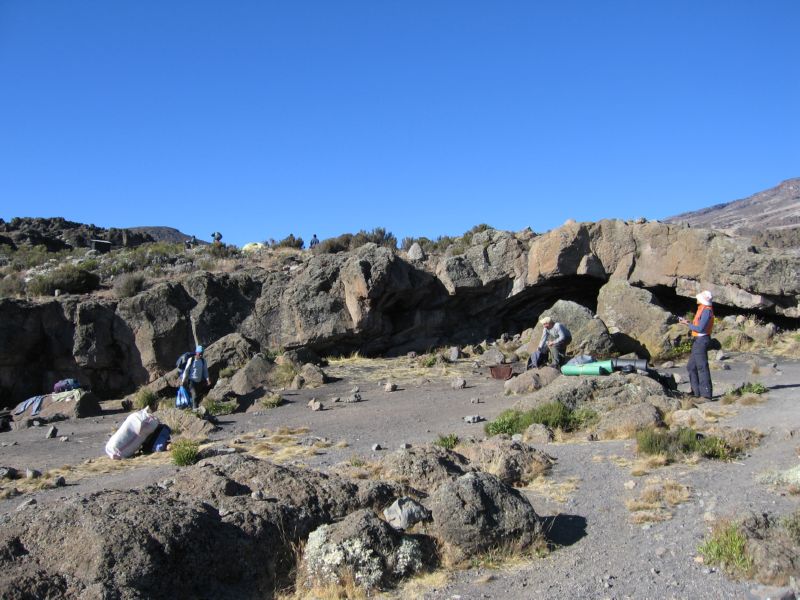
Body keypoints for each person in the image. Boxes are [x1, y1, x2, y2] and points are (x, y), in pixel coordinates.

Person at [679, 290, 714, 400]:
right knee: (691, 367)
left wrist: (687, 324)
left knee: (702, 367)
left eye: (699, 298)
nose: (697, 299)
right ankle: (696, 391)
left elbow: (700, 328)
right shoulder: (703, 309)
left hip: (701, 340)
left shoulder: (706, 311)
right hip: (698, 340)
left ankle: (706, 394)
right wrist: (689, 323)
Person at [181, 345, 211, 409]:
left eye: (202, 353)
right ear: (196, 352)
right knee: (194, 395)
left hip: (199, 382)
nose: (201, 355)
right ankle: (195, 412)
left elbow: (205, 371)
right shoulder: (191, 360)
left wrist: (208, 380)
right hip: (191, 381)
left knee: (197, 397)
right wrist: (183, 380)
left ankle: (194, 408)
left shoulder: (203, 361)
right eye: (200, 353)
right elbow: (186, 370)